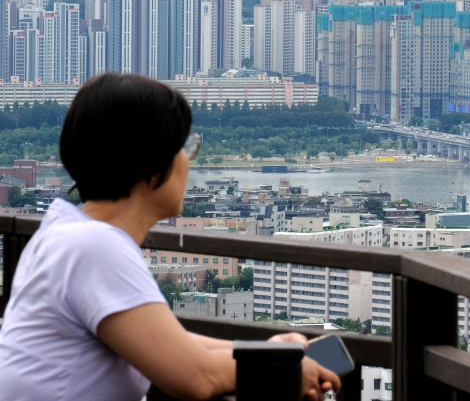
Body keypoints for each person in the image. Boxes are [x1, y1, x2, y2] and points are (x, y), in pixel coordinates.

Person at [0, 73, 340, 400]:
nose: (188, 161)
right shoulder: (95, 248)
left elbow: (167, 343)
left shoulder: (66, 232)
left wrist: (267, 352)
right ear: (152, 160)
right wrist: (283, 371)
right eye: (184, 147)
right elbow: (195, 376)